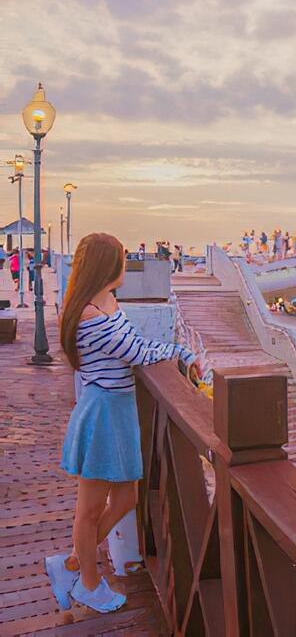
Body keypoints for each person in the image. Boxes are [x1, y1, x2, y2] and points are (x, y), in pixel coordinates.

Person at [47, 233, 200, 613]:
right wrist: (181, 351)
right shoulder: (88, 314)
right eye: (120, 257)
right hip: (102, 414)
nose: (125, 263)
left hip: (118, 409)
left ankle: (68, 564)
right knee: (90, 510)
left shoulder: (107, 302)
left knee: (127, 497)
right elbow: (135, 351)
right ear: (106, 265)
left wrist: (177, 351)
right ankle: (87, 582)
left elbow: (135, 342)